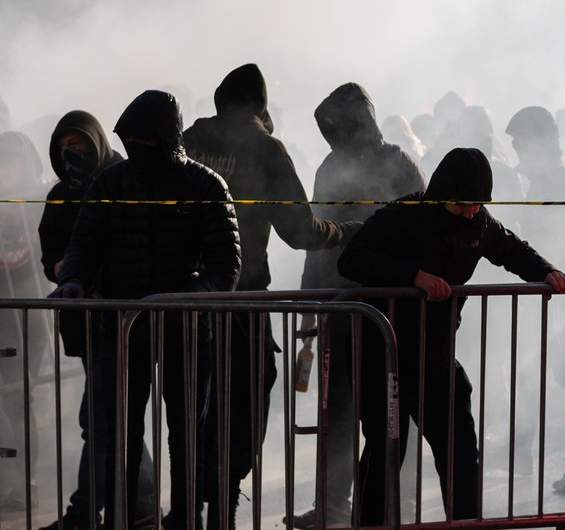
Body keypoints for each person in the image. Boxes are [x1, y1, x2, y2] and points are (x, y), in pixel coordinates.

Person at [338, 147, 565, 526]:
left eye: (478, 205)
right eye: (464, 204)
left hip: (436, 355)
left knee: (460, 445)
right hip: (382, 355)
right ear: (441, 193)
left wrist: (547, 271)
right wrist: (414, 275)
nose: (471, 212)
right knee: (385, 448)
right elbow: (351, 259)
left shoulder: (480, 225)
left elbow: (513, 250)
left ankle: (465, 524)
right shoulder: (400, 217)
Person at [50, 90, 241, 530]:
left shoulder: (206, 185)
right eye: (130, 139)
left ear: (167, 138)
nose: (138, 147)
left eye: (146, 139)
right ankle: (121, 519)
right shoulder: (110, 183)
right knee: (122, 437)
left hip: (187, 331)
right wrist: (73, 280)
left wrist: (190, 297)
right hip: (121, 331)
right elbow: (82, 244)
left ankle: (187, 518)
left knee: (188, 436)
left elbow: (226, 264)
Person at [183, 63, 353, 530]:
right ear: (260, 106)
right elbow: (300, 230)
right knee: (248, 398)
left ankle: (187, 507)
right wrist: (346, 231)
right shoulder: (265, 148)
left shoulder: (189, 139)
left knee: (191, 403)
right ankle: (221, 504)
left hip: (180, 301)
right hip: (242, 300)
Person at [294, 82, 425, 528]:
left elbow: (423, 231)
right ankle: (332, 505)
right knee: (337, 408)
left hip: (389, 307)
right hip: (338, 304)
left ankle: (397, 502)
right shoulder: (330, 166)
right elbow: (315, 236)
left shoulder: (399, 163)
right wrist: (310, 299)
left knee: (389, 410)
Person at [37, 111, 164, 530]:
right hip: (86, 323)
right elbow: (51, 253)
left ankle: (85, 512)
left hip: (123, 319)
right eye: (65, 148)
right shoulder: (59, 198)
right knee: (113, 417)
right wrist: (64, 271)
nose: (72, 155)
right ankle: (142, 504)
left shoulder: (121, 184)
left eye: (80, 146)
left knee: (101, 419)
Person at [505, 105, 565, 493]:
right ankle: (522, 449)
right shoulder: (551, 174)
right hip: (552, 288)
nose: (519, 153)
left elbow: (553, 235)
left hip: (559, 290)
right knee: (553, 372)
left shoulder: (556, 176)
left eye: (522, 144)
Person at [0, 131, 50, 511]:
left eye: (11, 162)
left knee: (18, 395)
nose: (5, 170)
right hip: (3, 313)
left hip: (29, 316)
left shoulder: (41, 202)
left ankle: (24, 482)